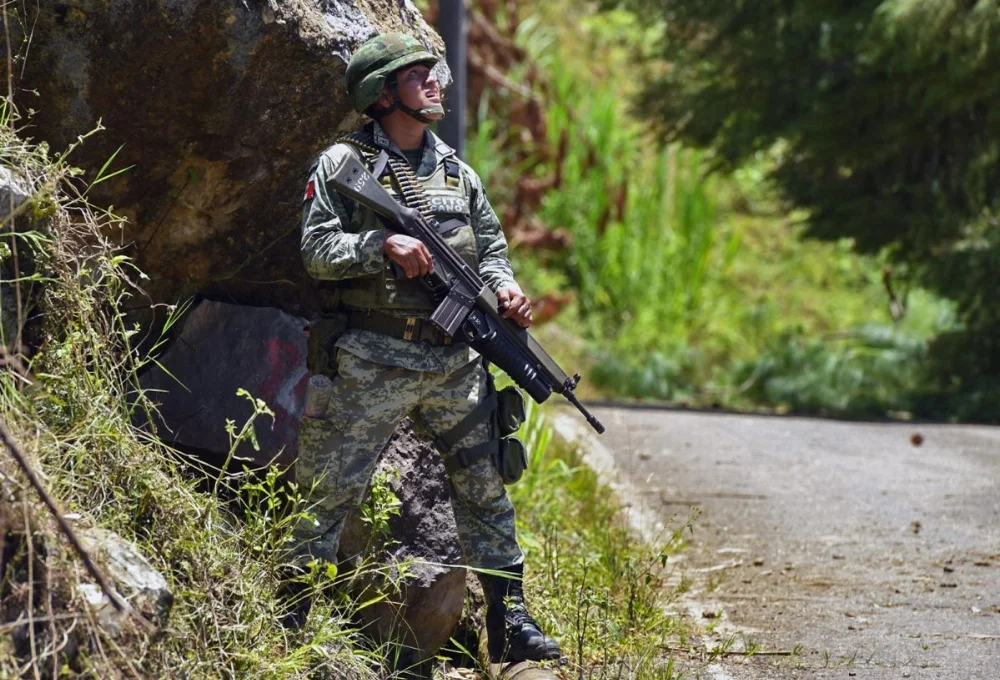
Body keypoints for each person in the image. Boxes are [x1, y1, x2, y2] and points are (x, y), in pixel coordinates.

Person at [294, 32, 561, 663]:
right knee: (329, 492)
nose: (434, 82)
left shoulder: (455, 172)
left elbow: (491, 248)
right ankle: (293, 615)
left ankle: (510, 622)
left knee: (486, 490)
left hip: (454, 365)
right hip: (372, 360)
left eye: (433, 72)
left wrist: (507, 289)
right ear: (382, 94)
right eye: (417, 76)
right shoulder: (341, 165)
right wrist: (378, 247)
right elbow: (314, 251)